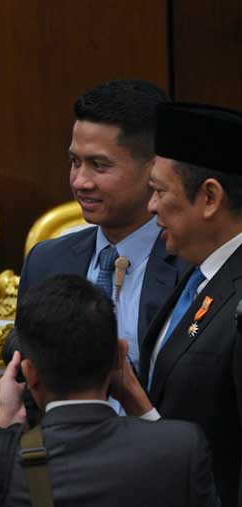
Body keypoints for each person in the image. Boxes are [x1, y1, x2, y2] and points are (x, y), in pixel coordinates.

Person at [0, 275, 219, 507]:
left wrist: (3, 425)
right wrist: (139, 402)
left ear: (29, 374)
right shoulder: (181, 450)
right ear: (118, 358)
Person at [112, 102, 242, 507]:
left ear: (209, 197)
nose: (151, 207)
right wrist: (133, 395)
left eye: (159, 191)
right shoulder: (195, 272)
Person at [20, 80, 186, 374]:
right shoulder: (45, 262)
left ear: (154, 168)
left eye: (99, 165)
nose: (80, 182)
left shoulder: (191, 269)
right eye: (75, 161)